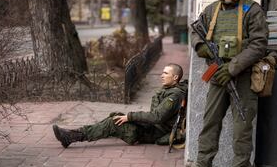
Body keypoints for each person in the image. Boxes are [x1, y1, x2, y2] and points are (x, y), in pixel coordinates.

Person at [177, 0, 268, 167]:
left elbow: (258, 45)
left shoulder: (252, 10)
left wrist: (233, 67)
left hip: (243, 76)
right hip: (217, 75)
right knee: (210, 122)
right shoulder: (211, 11)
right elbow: (195, 31)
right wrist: (202, 48)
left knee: (242, 127)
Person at [53, 63, 187, 148]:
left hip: (152, 132)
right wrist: (129, 117)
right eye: (162, 72)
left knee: (114, 122)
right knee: (115, 116)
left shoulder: (174, 96)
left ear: (175, 77)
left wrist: (130, 116)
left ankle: (71, 137)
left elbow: (157, 117)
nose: (161, 76)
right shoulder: (170, 90)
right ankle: (80, 133)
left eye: (165, 73)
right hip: (150, 127)